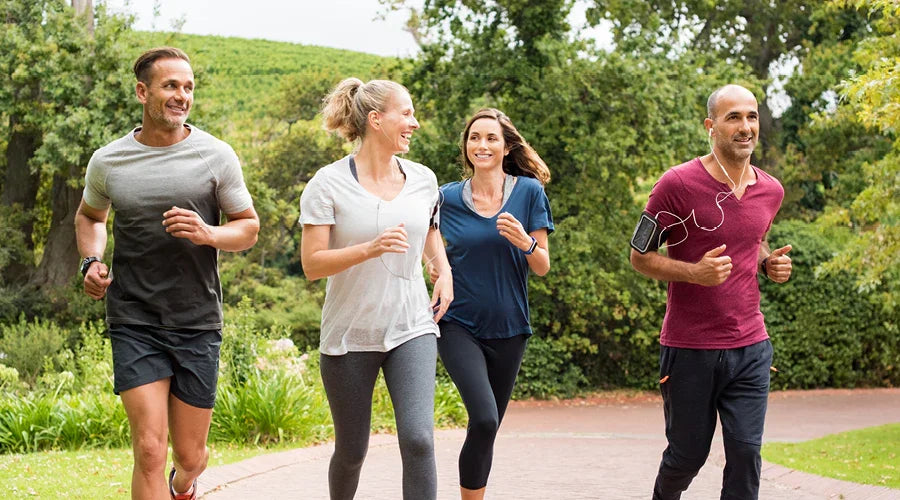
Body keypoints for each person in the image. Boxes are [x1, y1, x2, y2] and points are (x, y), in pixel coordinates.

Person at [75, 47, 259, 500]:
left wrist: (208, 233)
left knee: (190, 456)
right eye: (171, 86)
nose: (182, 96)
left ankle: (185, 483)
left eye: (188, 87)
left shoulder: (216, 155)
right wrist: (91, 260)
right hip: (134, 316)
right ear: (143, 92)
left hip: (197, 319)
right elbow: (90, 216)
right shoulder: (109, 161)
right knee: (149, 449)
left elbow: (248, 227)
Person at [629, 84, 793, 500]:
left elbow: (754, 240)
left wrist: (767, 263)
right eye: (733, 117)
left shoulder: (771, 190)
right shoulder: (675, 184)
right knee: (687, 456)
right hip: (690, 348)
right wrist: (694, 273)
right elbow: (639, 255)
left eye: (751, 116)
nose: (745, 127)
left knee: (746, 453)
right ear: (711, 126)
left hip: (750, 345)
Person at [299, 77, 453, 500]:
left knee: (419, 440)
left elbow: (430, 234)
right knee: (352, 451)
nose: (414, 123)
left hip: (411, 326)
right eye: (406, 113)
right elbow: (312, 264)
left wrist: (443, 271)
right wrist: (370, 248)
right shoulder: (327, 183)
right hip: (350, 334)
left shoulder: (423, 179)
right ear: (375, 119)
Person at [435, 108, 553, 500]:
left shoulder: (529, 192)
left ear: (506, 147)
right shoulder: (446, 197)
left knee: (486, 428)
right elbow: (426, 239)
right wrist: (437, 267)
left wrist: (526, 242)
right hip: (457, 324)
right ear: (466, 147)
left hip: (510, 328)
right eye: (474, 138)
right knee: (484, 418)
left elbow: (542, 266)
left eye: (491, 138)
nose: (481, 145)